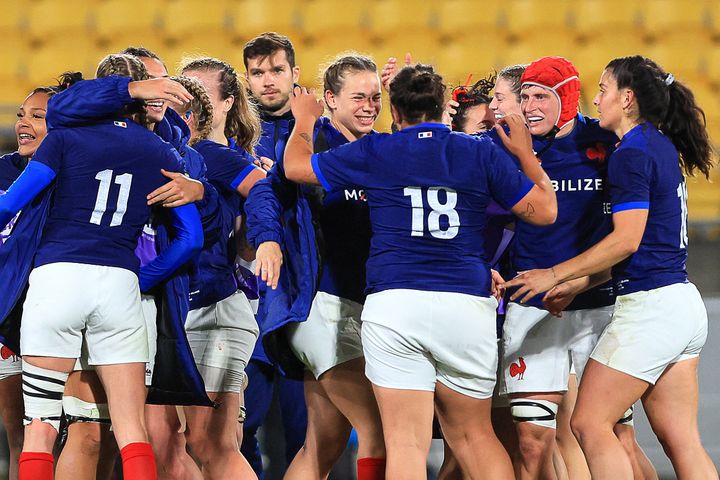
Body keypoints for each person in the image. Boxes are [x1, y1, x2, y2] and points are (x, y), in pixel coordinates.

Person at [283, 64, 557, 480]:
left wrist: (304, 118)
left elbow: (295, 168)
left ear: (395, 111)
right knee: (474, 437)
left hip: (395, 305)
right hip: (465, 304)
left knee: (404, 443)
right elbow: (545, 211)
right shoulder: (478, 151)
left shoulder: (378, 150)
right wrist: (525, 155)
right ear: (443, 107)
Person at [503, 55, 717, 480]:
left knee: (587, 424)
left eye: (603, 90)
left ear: (628, 97)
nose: (596, 100)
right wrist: (582, 280)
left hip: (649, 308)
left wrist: (555, 274)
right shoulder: (657, 142)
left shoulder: (629, 152)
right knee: (682, 441)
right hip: (680, 302)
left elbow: (626, 240)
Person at [0, 53, 204, 480]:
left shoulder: (63, 139)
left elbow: (9, 204)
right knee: (131, 431)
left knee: (39, 428)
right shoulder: (161, 151)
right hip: (121, 286)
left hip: (57, 279)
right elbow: (192, 237)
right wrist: (140, 277)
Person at [248, 53, 387, 480]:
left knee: (322, 444)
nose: (369, 106)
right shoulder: (310, 141)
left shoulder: (372, 151)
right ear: (329, 98)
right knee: (376, 429)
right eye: (358, 97)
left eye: (376, 97)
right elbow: (266, 193)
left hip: (356, 306)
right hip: (319, 305)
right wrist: (267, 239)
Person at [176, 56, 265, 480]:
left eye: (199, 92)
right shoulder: (183, 155)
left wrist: (267, 242)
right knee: (184, 445)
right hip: (185, 309)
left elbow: (262, 193)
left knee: (210, 443)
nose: (186, 99)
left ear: (227, 103)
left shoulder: (216, 156)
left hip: (214, 308)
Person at [240, 32, 309, 478]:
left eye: (276, 70)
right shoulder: (238, 137)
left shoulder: (322, 131)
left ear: (294, 74)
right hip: (252, 290)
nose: (267, 81)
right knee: (243, 422)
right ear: (245, 81)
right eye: (257, 73)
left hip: (310, 288)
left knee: (309, 428)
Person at [0, 81, 69, 480]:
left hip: (61, 317)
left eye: (38, 117)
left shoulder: (76, 175)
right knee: (21, 436)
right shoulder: (3, 168)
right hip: (11, 318)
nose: (24, 123)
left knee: (84, 435)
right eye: (21, 114)